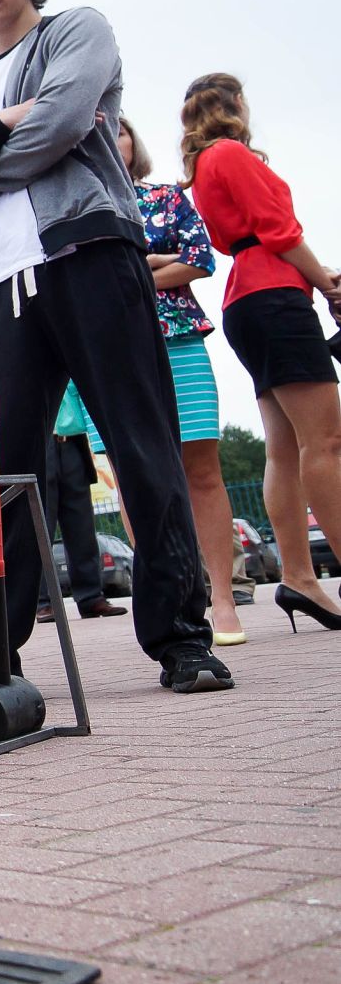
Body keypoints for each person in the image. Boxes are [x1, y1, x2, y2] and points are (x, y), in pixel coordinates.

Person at [0, 0, 229, 694]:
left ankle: (182, 637)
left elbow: (58, 127)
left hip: (90, 258)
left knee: (141, 446)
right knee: (3, 473)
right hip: (0, 287)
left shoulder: (75, 31)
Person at [180, 72, 341, 635]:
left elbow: (238, 239)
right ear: (237, 105)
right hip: (275, 294)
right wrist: (323, 282)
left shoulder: (203, 167)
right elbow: (278, 228)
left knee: (285, 447)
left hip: (247, 297)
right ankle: (305, 574)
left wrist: (315, 279)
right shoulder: (234, 154)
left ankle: (299, 577)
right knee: (326, 441)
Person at [71, 115, 241, 642]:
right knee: (133, 475)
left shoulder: (165, 197)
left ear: (132, 141)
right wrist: (151, 261)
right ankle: (168, 593)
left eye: (118, 131)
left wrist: (135, 270)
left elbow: (199, 259)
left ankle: (223, 595)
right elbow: (78, 279)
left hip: (178, 339)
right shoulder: (75, 207)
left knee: (201, 467)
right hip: (110, 348)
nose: (110, 140)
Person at [34, 383, 116, 624]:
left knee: (82, 526)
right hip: (41, 441)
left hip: (73, 442)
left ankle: (91, 597)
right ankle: (42, 602)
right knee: (41, 526)